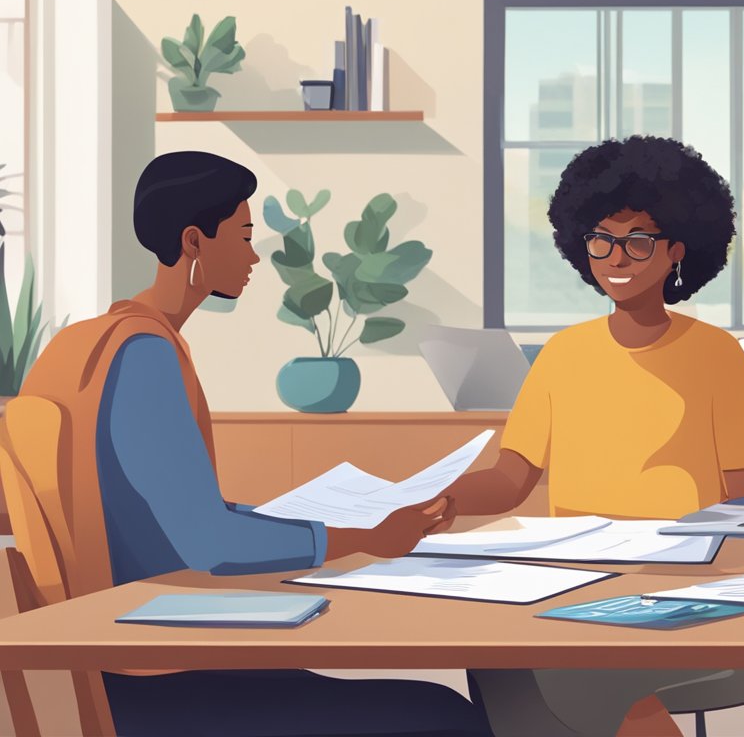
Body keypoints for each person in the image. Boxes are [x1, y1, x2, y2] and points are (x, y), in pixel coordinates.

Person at [17, 151, 490, 737]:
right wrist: (367, 537)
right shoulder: (144, 356)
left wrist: (277, 520)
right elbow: (209, 542)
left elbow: (159, 515)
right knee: (440, 716)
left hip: (107, 653)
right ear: (194, 241)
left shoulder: (80, 345)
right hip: (153, 679)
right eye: (242, 236)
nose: (254, 255)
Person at [444, 135, 744, 737]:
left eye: (637, 240)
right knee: (493, 654)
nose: (616, 257)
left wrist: (676, 549)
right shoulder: (563, 354)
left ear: (677, 250)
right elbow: (511, 478)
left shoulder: (717, 356)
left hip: (689, 592)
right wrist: (442, 499)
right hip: (576, 586)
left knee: (577, 666)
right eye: (601, 240)